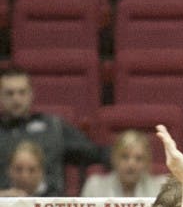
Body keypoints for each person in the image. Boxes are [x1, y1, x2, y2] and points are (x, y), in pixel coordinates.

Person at [0, 66, 108, 195]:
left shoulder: (54, 127)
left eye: (22, 92)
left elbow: (95, 153)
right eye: (9, 93)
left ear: (31, 94)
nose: (16, 99)